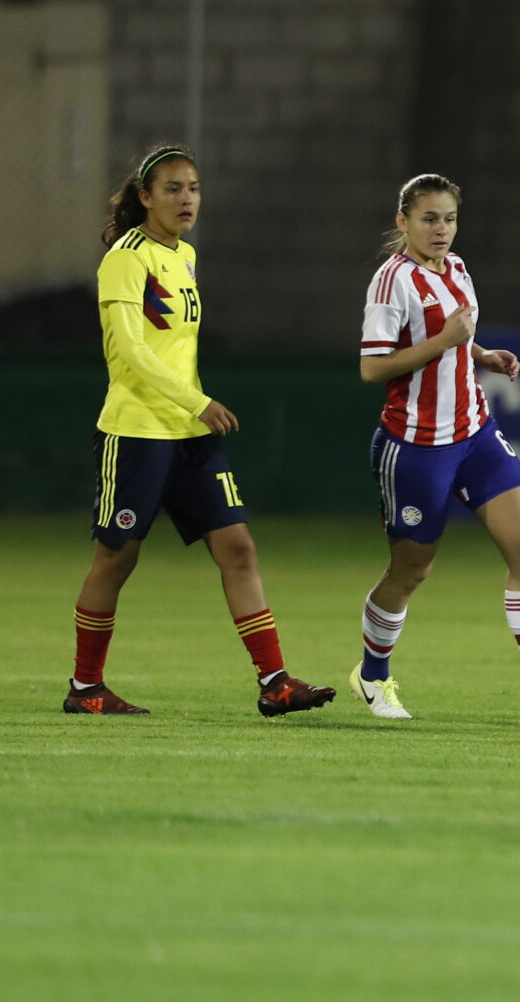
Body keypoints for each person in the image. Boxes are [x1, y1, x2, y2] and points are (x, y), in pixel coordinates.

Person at [64, 145, 336, 717]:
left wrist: (193, 409)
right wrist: (198, 399)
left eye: (193, 188)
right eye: (172, 189)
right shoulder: (124, 258)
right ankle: (86, 689)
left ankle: (276, 682)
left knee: (238, 548)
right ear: (145, 197)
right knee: (116, 559)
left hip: (190, 434)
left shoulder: (184, 255)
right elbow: (130, 355)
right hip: (135, 432)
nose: (186, 199)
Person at [349, 174, 520, 720]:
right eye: (429, 219)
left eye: (449, 219)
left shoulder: (457, 267)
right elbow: (373, 368)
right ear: (403, 221)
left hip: (475, 434)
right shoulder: (391, 282)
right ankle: (372, 676)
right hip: (416, 444)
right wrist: (444, 343)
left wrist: (480, 355)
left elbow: (457, 337)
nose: (441, 230)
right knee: (412, 571)